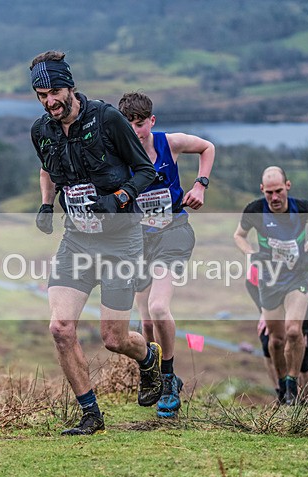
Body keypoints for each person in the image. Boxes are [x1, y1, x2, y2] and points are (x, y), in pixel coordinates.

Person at [30, 51, 162, 435]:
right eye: (41, 95)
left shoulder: (107, 119)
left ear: (70, 86)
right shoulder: (42, 130)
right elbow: (48, 169)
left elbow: (145, 171)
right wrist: (45, 204)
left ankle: (148, 356)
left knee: (114, 339)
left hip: (121, 240)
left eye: (54, 91)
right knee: (60, 327)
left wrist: (118, 198)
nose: (49, 101)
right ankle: (91, 413)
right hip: (77, 240)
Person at [117, 92, 215, 418]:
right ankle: (156, 377)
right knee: (146, 323)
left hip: (173, 232)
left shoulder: (169, 143)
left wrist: (200, 184)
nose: (135, 130)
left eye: (140, 123)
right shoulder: (118, 156)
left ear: (151, 121)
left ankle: (170, 379)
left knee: (159, 308)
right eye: (128, 124)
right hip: (139, 242)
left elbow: (207, 147)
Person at [233, 166, 308, 405]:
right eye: (269, 193)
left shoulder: (304, 207)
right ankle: (283, 388)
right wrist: (251, 255)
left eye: (278, 191)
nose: (274, 198)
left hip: (297, 277)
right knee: (275, 340)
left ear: (288, 186)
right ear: (262, 190)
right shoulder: (254, 210)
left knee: (294, 331)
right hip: (269, 280)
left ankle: (292, 385)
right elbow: (239, 235)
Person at [246, 264, 308, 403]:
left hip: (301, 311)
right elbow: (250, 284)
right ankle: (281, 394)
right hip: (275, 310)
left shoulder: (303, 264)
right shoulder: (261, 261)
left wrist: (304, 331)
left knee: (303, 363)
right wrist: (263, 312)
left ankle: (304, 400)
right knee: (270, 343)